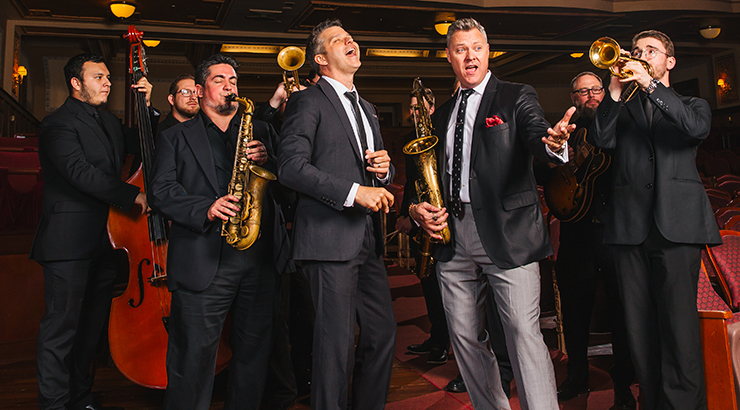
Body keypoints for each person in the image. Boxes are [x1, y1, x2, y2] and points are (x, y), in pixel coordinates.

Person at [408, 17, 575, 410]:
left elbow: (537, 135)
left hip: (509, 233)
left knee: (522, 332)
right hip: (454, 235)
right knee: (463, 337)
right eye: (461, 49)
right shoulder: (442, 114)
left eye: (477, 47)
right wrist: (417, 209)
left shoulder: (516, 95)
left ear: (488, 52)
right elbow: (425, 176)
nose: (470, 55)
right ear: (449, 56)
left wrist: (553, 145)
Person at [149, 54, 290, 410]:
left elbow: (287, 188)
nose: (230, 86)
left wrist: (268, 161)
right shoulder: (175, 137)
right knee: (192, 360)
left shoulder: (260, 131)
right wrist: (206, 208)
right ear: (199, 90)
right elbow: (161, 192)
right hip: (204, 260)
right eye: (219, 80)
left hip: (258, 261)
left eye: (233, 80)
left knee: (254, 357)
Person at [589, 30, 719, 410]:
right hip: (630, 229)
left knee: (679, 329)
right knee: (639, 330)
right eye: (636, 50)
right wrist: (613, 91)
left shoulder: (693, 104)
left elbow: (695, 130)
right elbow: (600, 139)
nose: (640, 55)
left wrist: (649, 85)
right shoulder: (620, 106)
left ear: (669, 61)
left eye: (651, 50)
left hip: (678, 227)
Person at [278, 18, 397, 410]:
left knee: (382, 336)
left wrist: (384, 170)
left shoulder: (368, 107)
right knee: (336, 348)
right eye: (337, 40)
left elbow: (379, 170)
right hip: (328, 241)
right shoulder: (306, 101)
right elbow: (291, 167)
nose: (350, 41)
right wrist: (354, 192)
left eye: (351, 36)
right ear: (320, 60)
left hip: (368, 240)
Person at [31, 53, 154, 410]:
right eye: (98, 76)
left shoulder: (109, 122)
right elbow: (79, 172)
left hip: (107, 241)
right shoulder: (57, 124)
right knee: (61, 330)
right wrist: (133, 195)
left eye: (108, 77)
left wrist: (147, 106)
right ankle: (54, 404)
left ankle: (81, 398)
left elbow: (150, 140)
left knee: (90, 331)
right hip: (67, 243)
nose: (108, 82)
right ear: (76, 83)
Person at [548, 72, 636, 409]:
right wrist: (557, 157)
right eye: (583, 92)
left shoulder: (620, 123)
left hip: (615, 232)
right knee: (574, 310)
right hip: (576, 231)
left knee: (621, 311)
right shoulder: (567, 131)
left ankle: (624, 385)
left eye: (596, 89)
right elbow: (544, 175)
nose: (591, 95)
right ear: (573, 98)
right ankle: (577, 374)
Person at [398, 87, 450, 365]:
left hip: (444, 217)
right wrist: (407, 212)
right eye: (411, 108)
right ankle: (438, 337)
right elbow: (411, 182)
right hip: (421, 217)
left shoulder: (443, 133)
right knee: (428, 282)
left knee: (447, 287)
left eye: (419, 108)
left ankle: (448, 343)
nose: (414, 113)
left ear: (431, 109)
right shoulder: (409, 138)